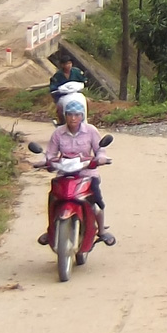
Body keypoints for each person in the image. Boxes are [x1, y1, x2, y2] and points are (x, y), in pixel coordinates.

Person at [41, 90, 115, 245]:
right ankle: (51, 229)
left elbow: (99, 149)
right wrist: (47, 161)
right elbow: (51, 152)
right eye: (69, 114)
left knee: (96, 201)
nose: (73, 118)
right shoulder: (58, 133)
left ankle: (101, 231)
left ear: (82, 116)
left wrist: (101, 158)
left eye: (76, 114)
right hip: (64, 173)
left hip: (86, 173)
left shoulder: (91, 131)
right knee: (53, 197)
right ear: (65, 116)